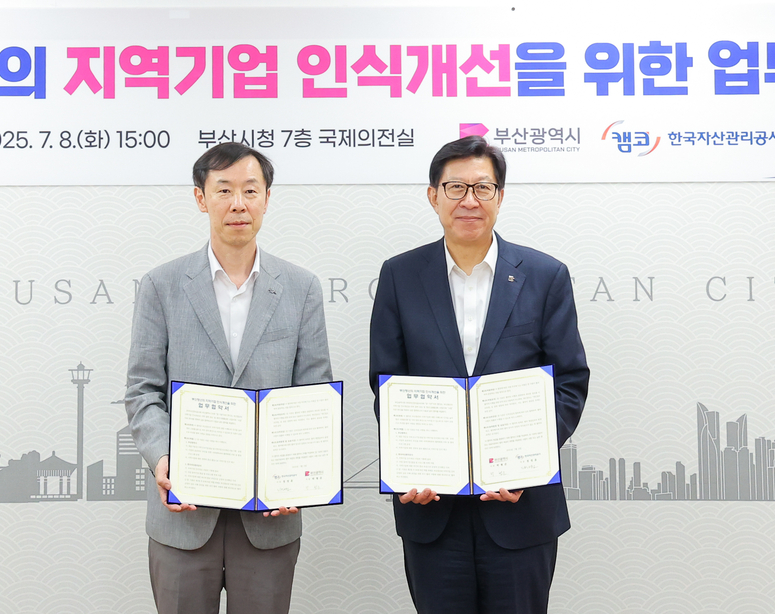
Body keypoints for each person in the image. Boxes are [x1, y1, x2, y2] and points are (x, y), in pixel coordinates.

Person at [368, 135, 590, 614]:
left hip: (520, 507)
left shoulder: (545, 275)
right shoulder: (400, 276)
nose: (469, 200)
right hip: (431, 508)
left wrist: (526, 462)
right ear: (433, 196)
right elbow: (387, 383)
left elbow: (569, 382)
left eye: (483, 188)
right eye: (455, 187)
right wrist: (410, 464)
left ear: (500, 196)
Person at [126, 142, 333, 614]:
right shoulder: (161, 285)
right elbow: (142, 389)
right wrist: (163, 457)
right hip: (183, 518)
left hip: (269, 518)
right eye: (224, 190)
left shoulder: (301, 288)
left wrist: (300, 476)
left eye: (250, 190)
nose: (238, 203)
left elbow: (314, 394)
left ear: (266, 198)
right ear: (201, 198)